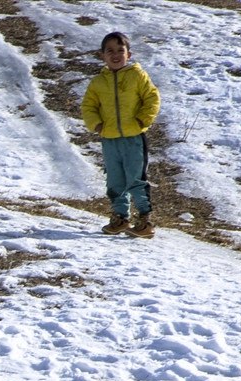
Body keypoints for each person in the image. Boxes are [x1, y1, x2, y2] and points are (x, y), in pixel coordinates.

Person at [80, 32, 161, 239]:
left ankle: (144, 220)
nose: (115, 55)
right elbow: (89, 105)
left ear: (129, 54)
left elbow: (152, 98)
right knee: (115, 180)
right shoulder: (98, 82)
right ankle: (120, 217)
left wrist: (142, 120)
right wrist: (97, 125)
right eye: (110, 51)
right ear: (102, 55)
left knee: (135, 178)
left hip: (133, 138)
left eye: (120, 50)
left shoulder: (137, 75)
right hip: (109, 139)